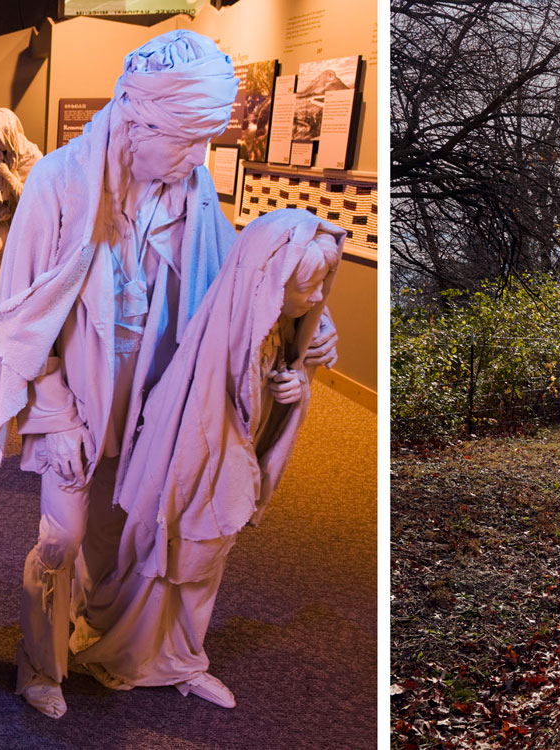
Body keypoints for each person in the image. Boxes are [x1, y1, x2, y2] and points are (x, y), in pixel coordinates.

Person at [0, 31, 334, 719]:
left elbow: (236, 285)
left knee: (152, 529)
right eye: (183, 140)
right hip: (79, 394)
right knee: (61, 538)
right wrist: (54, 416)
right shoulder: (58, 184)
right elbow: (17, 318)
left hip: (160, 391)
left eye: (202, 142)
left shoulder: (193, 185)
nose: (195, 159)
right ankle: (40, 664)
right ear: (137, 117)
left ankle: (160, 656)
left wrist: (303, 329)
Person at [68, 208, 343, 707]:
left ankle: (181, 656)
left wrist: (296, 383)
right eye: (309, 287)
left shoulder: (275, 322)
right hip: (200, 458)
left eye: (324, 283)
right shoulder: (230, 329)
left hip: (228, 460)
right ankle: (140, 652)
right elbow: (227, 399)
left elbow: (275, 379)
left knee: (200, 565)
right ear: (272, 284)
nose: (319, 297)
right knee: (174, 556)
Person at [0, 107, 42, 314]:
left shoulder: (32, 156)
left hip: (23, 227)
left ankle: (13, 325)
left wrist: (8, 175)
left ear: (9, 132)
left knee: (18, 277)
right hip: (1, 222)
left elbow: (33, 199)